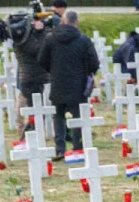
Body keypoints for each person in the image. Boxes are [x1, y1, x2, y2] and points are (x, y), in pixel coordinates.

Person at [41, 10, 99, 160]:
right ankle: (77, 147)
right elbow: (94, 62)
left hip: (58, 82)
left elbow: (42, 60)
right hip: (78, 84)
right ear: (77, 22)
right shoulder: (84, 40)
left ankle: (60, 149)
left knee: (58, 116)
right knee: (78, 115)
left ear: (63, 21)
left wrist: (53, 71)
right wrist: (87, 73)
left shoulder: (50, 39)